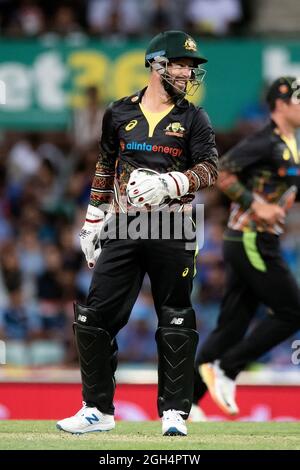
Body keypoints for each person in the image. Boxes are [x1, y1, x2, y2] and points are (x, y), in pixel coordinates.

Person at [56, 30, 218, 436]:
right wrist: (93, 219)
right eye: (180, 64)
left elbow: (210, 168)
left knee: (176, 317)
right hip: (125, 223)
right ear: (156, 65)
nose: (187, 72)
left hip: (173, 223)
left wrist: (172, 184)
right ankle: (97, 410)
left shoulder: (194, 117)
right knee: (93, 316)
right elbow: (104, 167)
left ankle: (175, 413)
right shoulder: (117, 113)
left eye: (190, 67)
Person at [192, 76, 300, 418]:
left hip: (250, 239)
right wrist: (257, 205)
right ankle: (228, 367)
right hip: (251, 237)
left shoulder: (288, 141)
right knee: (292, 311)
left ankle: (183, 405)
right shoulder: (265, 140)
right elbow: (222, 171)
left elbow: (285, 185)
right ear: (281, 105)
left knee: (232, 326)